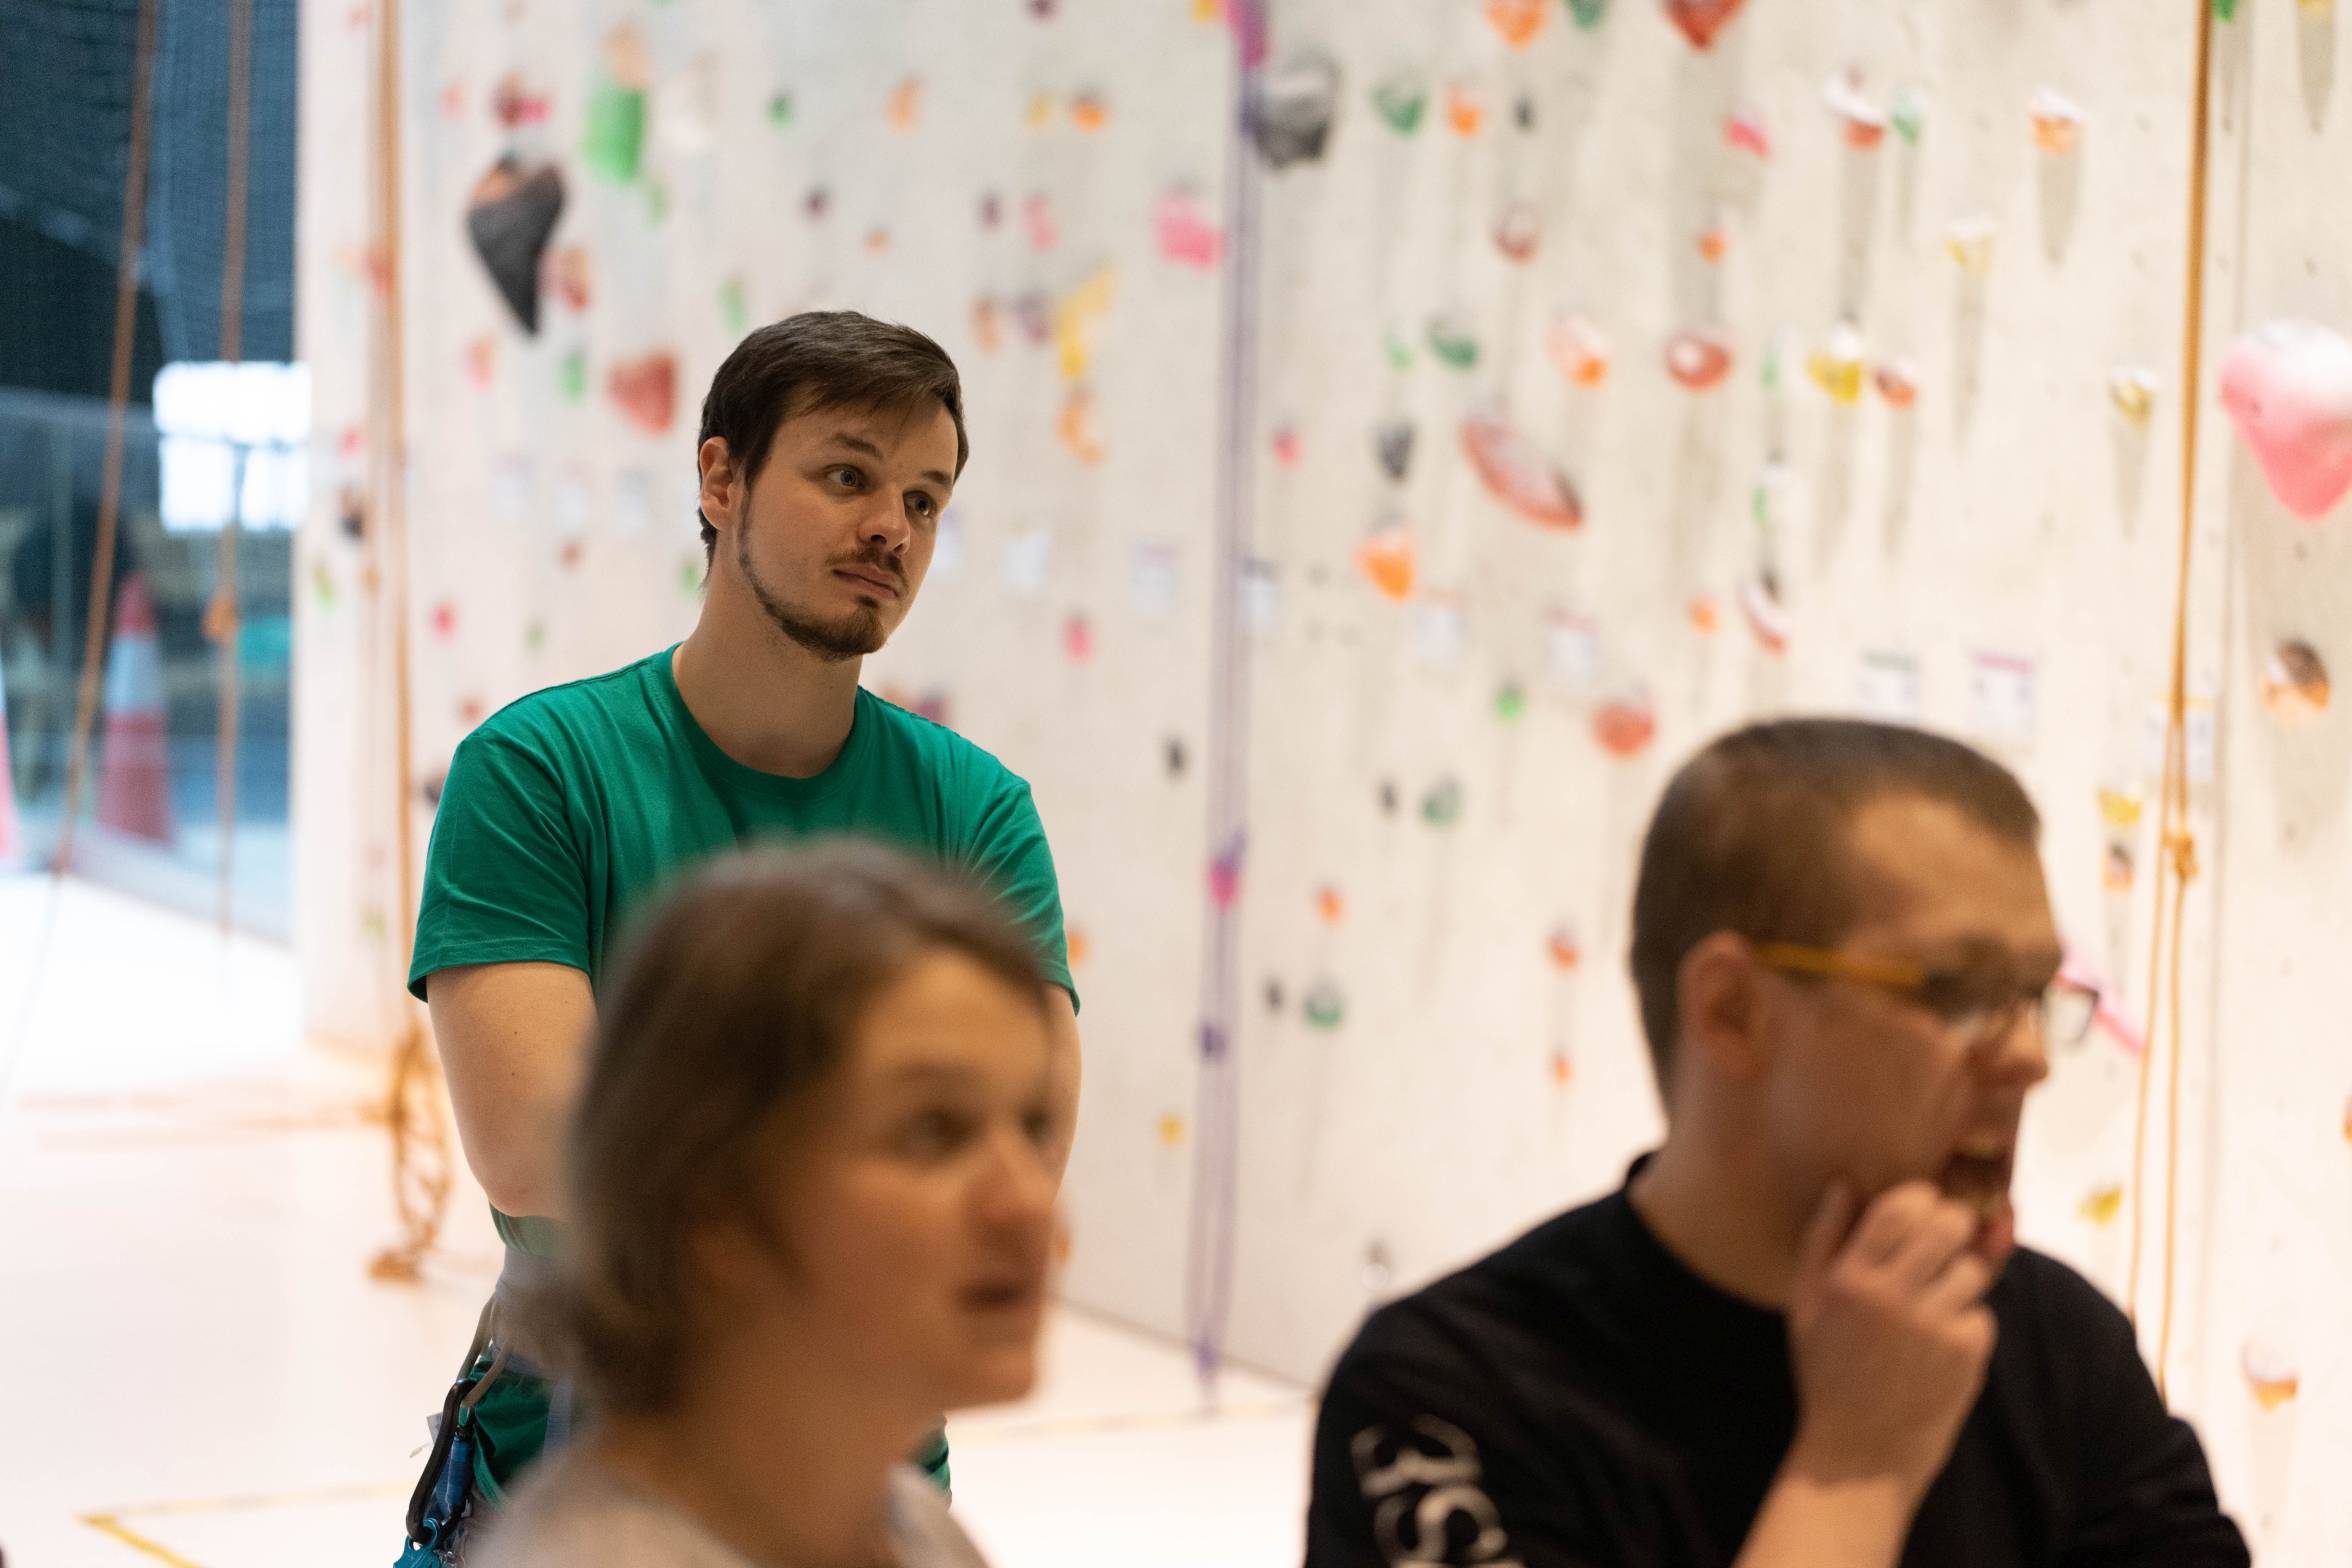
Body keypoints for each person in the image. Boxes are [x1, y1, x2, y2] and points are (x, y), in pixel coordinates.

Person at [398, 312, 1082, 1563]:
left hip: (875, 1471)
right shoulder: (540, 770)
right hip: (574, 1457)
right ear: (721, 479)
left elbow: (1028, 1133)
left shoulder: (976, 809)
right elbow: (541, 1149)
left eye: (924, 500)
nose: (891, 527)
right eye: (848, 474)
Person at [1305, 719, 2248, 1568]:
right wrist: (1855, 1473)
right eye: (1958, 991)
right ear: (1731, 1010)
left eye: (2036, 994)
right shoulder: (1446, 1398)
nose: (2028, 1058)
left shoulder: (2058, 1346)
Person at [474, 842, 1057, 1568]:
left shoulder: (914, 1529)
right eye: (933, 1131)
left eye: (1034, 1126)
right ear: (710, 1206)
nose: (1028, 1203)